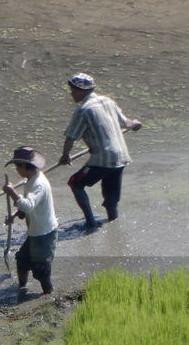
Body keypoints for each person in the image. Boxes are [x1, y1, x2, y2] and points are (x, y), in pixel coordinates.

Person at [59, 72, 142, 228]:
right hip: (121, 156)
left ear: (83, 91)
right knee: (111, 195)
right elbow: (126, 123)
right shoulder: (108, 101)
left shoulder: (83, 110)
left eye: (74, 91)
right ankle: (113, 219)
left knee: (75, 183)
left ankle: (90, 222)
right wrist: (135, 124)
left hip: (102, 158)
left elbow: (71, 136)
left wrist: (65, 155)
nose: (71, 94)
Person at [1, 145, 58, 297]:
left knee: (41, 269)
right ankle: (21, 288)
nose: (17, 170)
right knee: (22, 260)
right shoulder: (31, 179)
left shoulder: (38, 184)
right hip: (36, 231)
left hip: (44, 233)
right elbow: (27, 206)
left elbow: (28, 205)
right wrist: (15, 214)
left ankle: (49, 294)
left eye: (17, 167)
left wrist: (12, 192)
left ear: (26, 167)